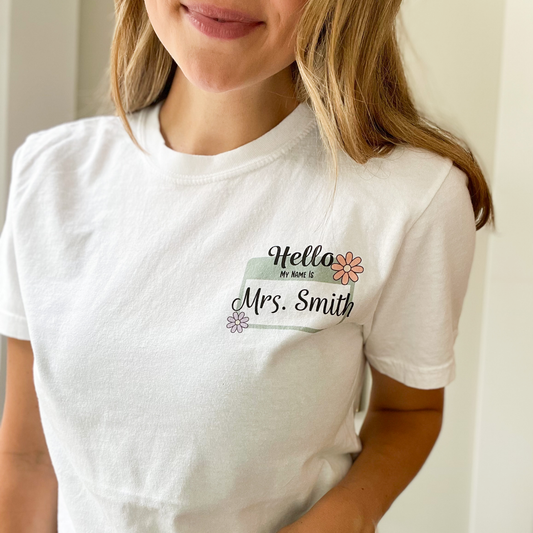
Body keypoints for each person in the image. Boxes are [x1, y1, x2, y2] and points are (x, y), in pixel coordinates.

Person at [0, 0, 495, 532]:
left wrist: (346, 516)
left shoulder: (411, 199)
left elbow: (408, 412)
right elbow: (28, 456)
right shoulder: (50, 176)